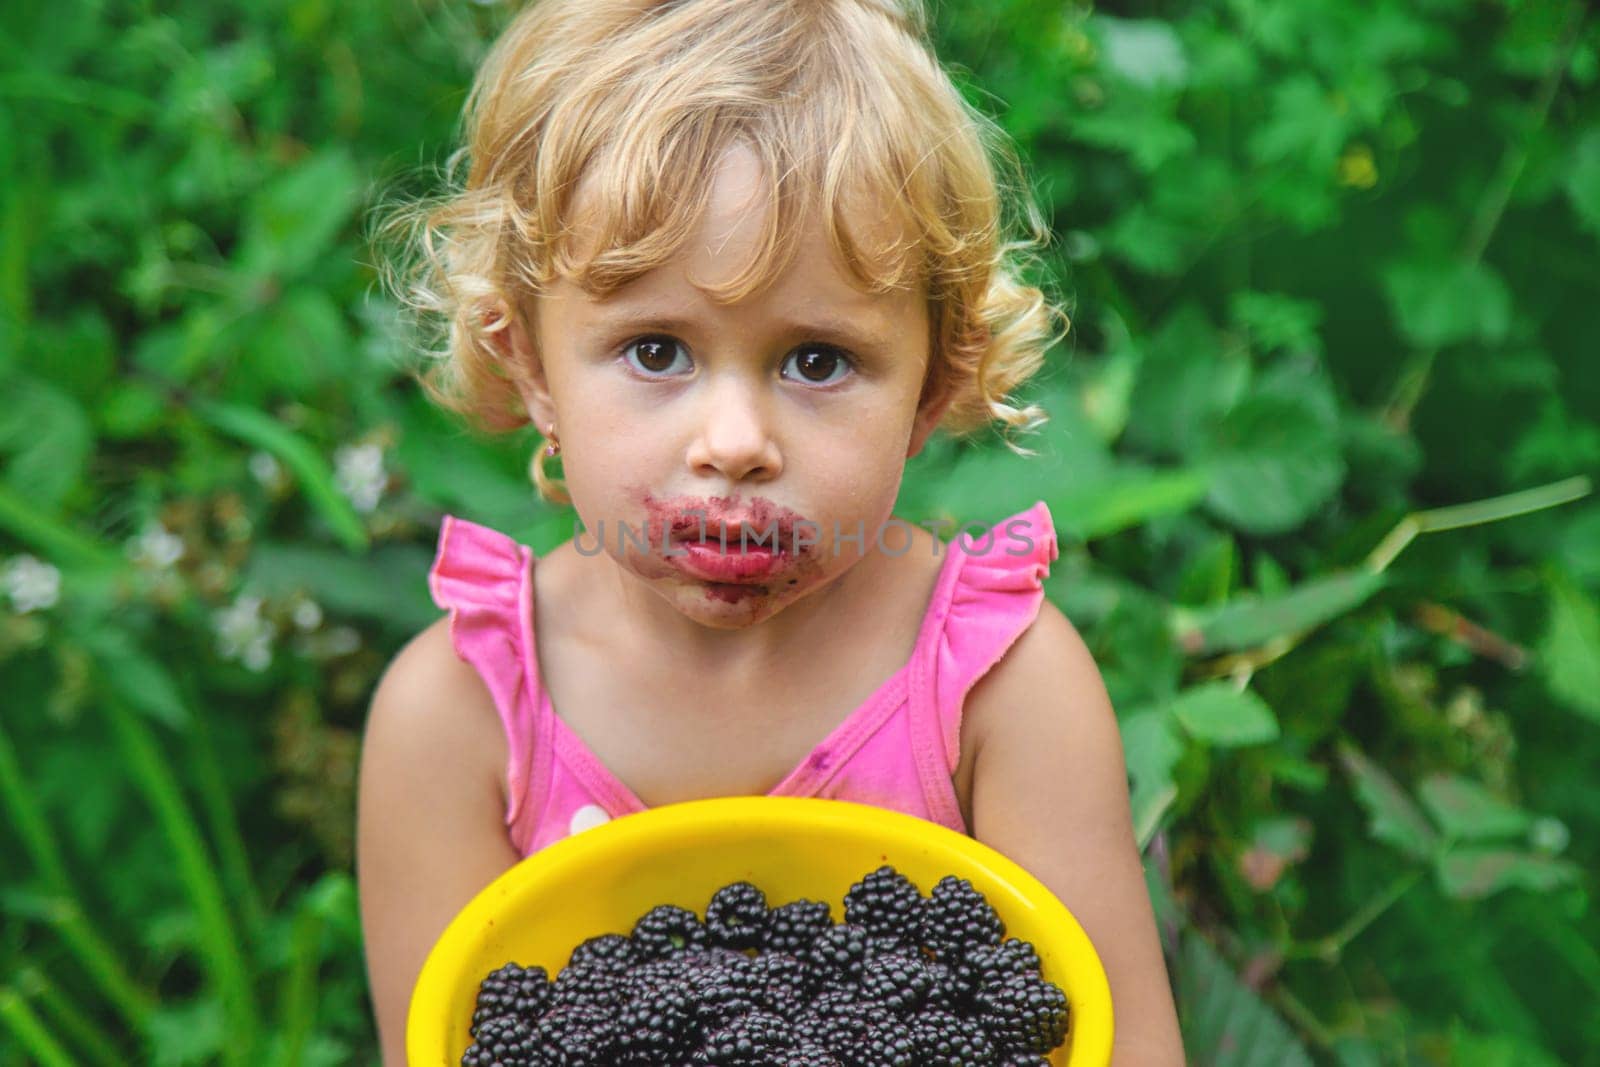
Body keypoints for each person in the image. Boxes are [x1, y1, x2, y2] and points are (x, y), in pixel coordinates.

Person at [357, 0, 1184, 1062]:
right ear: (530, 364)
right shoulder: (459, 718)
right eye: (655, 350)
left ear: (933, 386)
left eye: (817, 360)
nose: (735, 442)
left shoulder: (1003, 691)